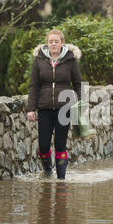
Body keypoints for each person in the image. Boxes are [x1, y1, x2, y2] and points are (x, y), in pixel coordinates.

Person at [26, 29, 82, 180]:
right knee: (43, 146)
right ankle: (48, 170)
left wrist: (78, 105)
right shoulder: (39, 60)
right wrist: (31, 108)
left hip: (64, 108)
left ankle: (61, 180)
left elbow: (78, 85)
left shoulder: (71, 60)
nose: (53, 44)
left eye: (56, 41)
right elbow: (34, 86)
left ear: (62, 43)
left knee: (60, 144)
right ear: (47, 43)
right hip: (44, 108)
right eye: (50, 41)